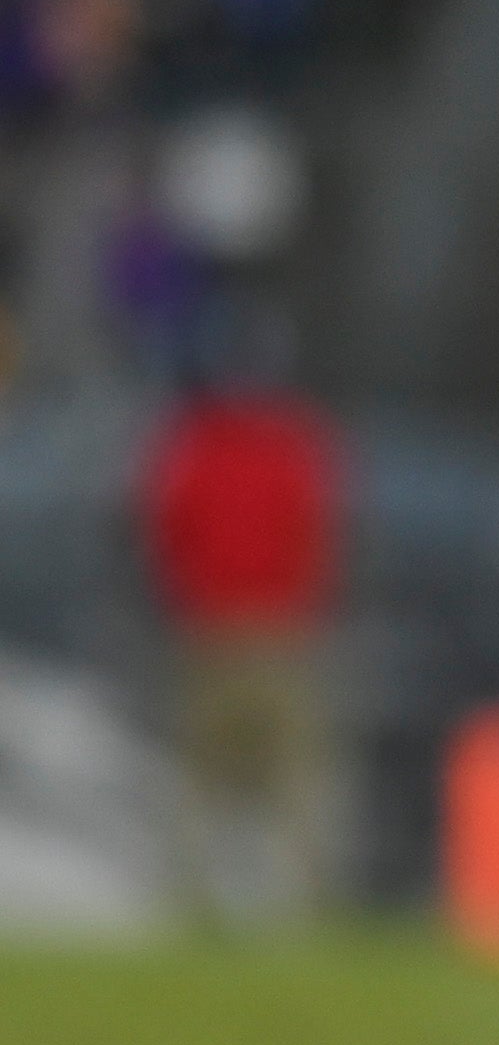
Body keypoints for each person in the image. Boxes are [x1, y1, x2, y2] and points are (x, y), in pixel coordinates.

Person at [137, 334, 347, 927]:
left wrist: (178, 599)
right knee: (295, 777)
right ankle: (299, 909)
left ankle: (189, 899)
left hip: (209, 628)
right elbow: (320, 531)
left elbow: (163, 527)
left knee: (200, 778)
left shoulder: (193, 444)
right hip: (281, 630)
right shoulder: (296, 443)